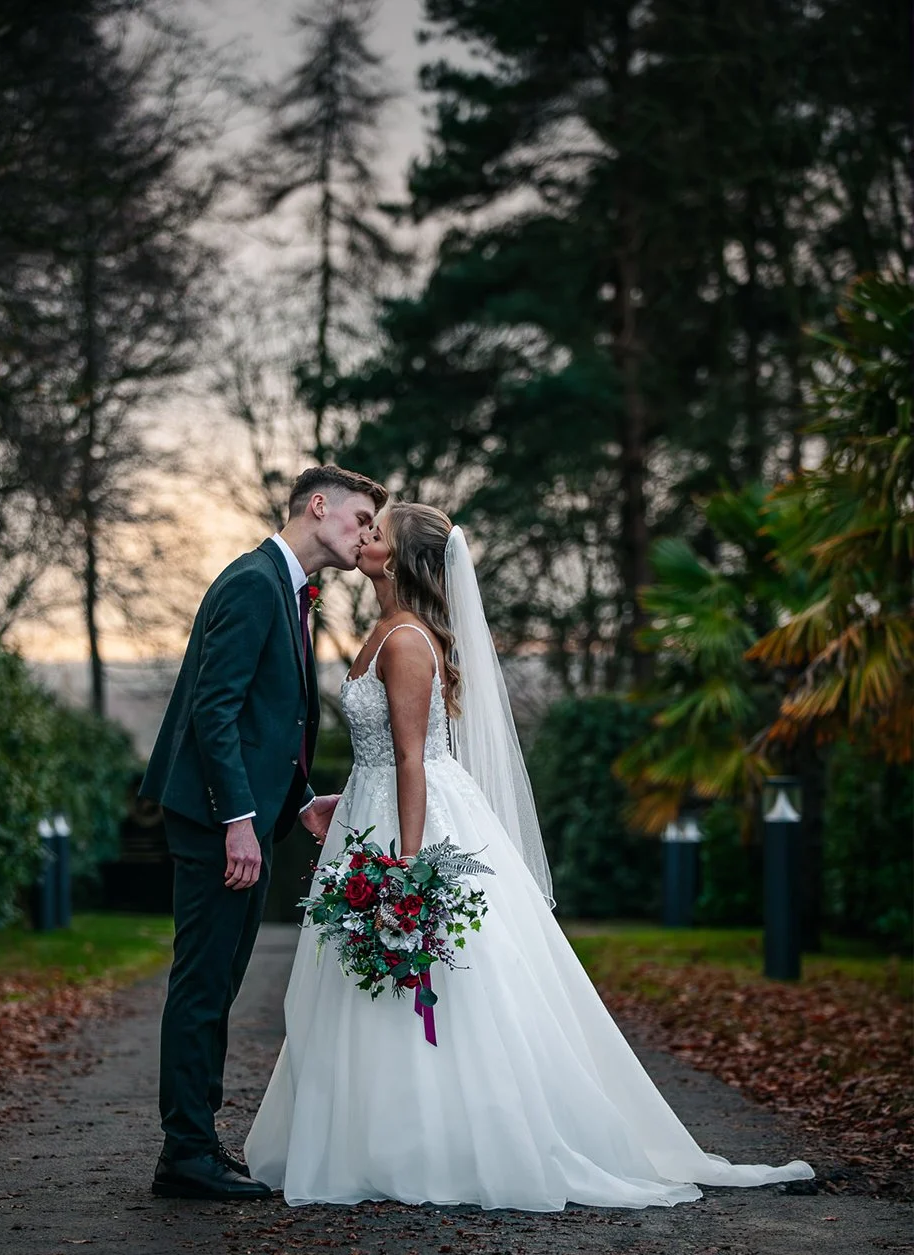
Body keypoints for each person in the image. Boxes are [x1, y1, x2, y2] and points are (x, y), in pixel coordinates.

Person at [244, 503, 814, 1210]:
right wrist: (346, 799)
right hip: (370, 810)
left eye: (376, 532)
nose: (362, 537)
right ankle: (372, 1138)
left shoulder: (408, 641)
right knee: (369, 987)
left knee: (442, 984)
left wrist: (408, 868)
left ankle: (440, 1142)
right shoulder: (380, 630)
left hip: (408, 823)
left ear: (403, 562)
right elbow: (381, 754)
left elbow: (414, 763)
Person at [141, 465, 388, 1200]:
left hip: (241, 814)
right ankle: (186, 1153)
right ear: (319, 507)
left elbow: (266, 720)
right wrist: (237, 821)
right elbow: (212, 712)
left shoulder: (286, 588)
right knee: (204, 983)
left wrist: (302, 799)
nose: (368, 536)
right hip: (216, 821)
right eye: (360, 520)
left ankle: (191, 1146)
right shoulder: (254, 582)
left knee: (215, 981)